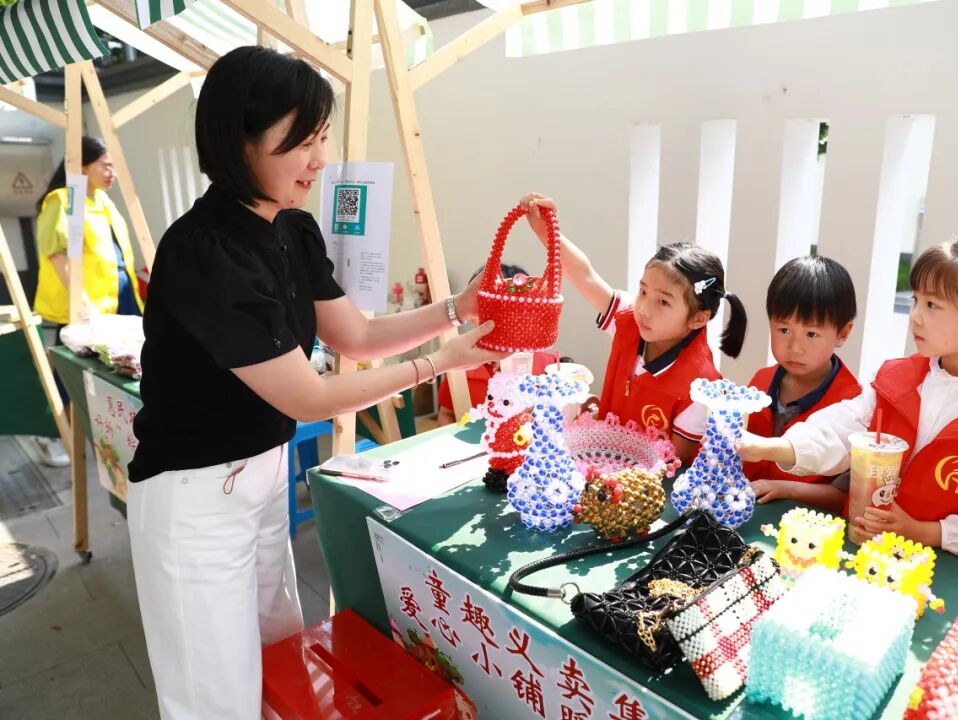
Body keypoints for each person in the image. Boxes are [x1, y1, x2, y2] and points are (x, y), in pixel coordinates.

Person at [126, 46, 504, 719]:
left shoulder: (292, 230)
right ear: (239, 141)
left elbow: (354, 334)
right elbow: (309, 397)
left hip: (264, 474)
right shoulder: (204, 250)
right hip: (195, 495)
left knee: (279, 664)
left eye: (322, 137)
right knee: (215, 697)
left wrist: (456, 308)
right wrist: (437, 365)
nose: (319, 159)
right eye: (301, 141)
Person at [737, 235, 958, 562]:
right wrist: (771, 447)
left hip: (937, 573)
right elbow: (842, 427)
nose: (915, 316)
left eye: (932, 305)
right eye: (916, 300)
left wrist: (924, 531)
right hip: (856, 556)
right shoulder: (895, 379)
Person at [519, 192, 747, 466]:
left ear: (698, 318)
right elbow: (586, 276)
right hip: (597, 465)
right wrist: (546, 232)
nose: (644, 309)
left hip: (645, 486)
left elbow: (674, 463)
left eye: (663, 302)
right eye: (643, 291)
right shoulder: (629, 321)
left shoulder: (701, 386)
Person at [31, 136, 143, 466]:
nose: (112, 173)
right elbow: (57, 253)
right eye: (105, 166)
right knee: (72, 378)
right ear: (81, 167)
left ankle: (125, 436)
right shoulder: (64, 200)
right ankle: (55, 436)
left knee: (125, 372)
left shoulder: (103, 201)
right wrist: (81, 303)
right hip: (85, 310)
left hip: (119, 301)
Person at [744, 256, 862, 513]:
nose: (795, 348)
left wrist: (785, 489)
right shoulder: (761, 380)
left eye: (811, 334)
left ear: (842, 333)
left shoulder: (853, 406)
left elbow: (845, 495)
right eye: (783, 330)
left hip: (806, 525)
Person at [435, 263, 559, 426]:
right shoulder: (460, 368)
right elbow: (446, 414)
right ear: (472, 317)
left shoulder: (549, 368)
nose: (501, 321)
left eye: (512, 310)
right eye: (485, 309)